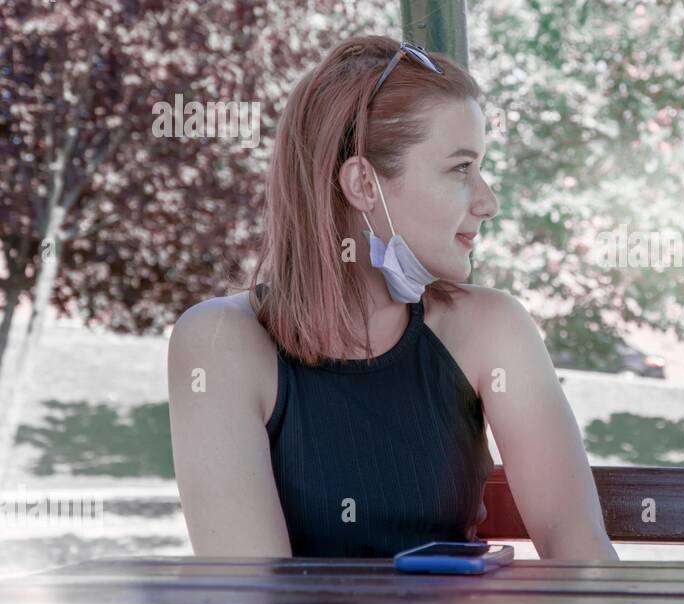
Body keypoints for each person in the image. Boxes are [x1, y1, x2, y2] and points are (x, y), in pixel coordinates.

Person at [167, 36, 617, 560]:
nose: (488, 201)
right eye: (460, 168)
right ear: (363, 184)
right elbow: (250, 599)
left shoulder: (492, 328)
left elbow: (579, 550)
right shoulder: (220, 343)